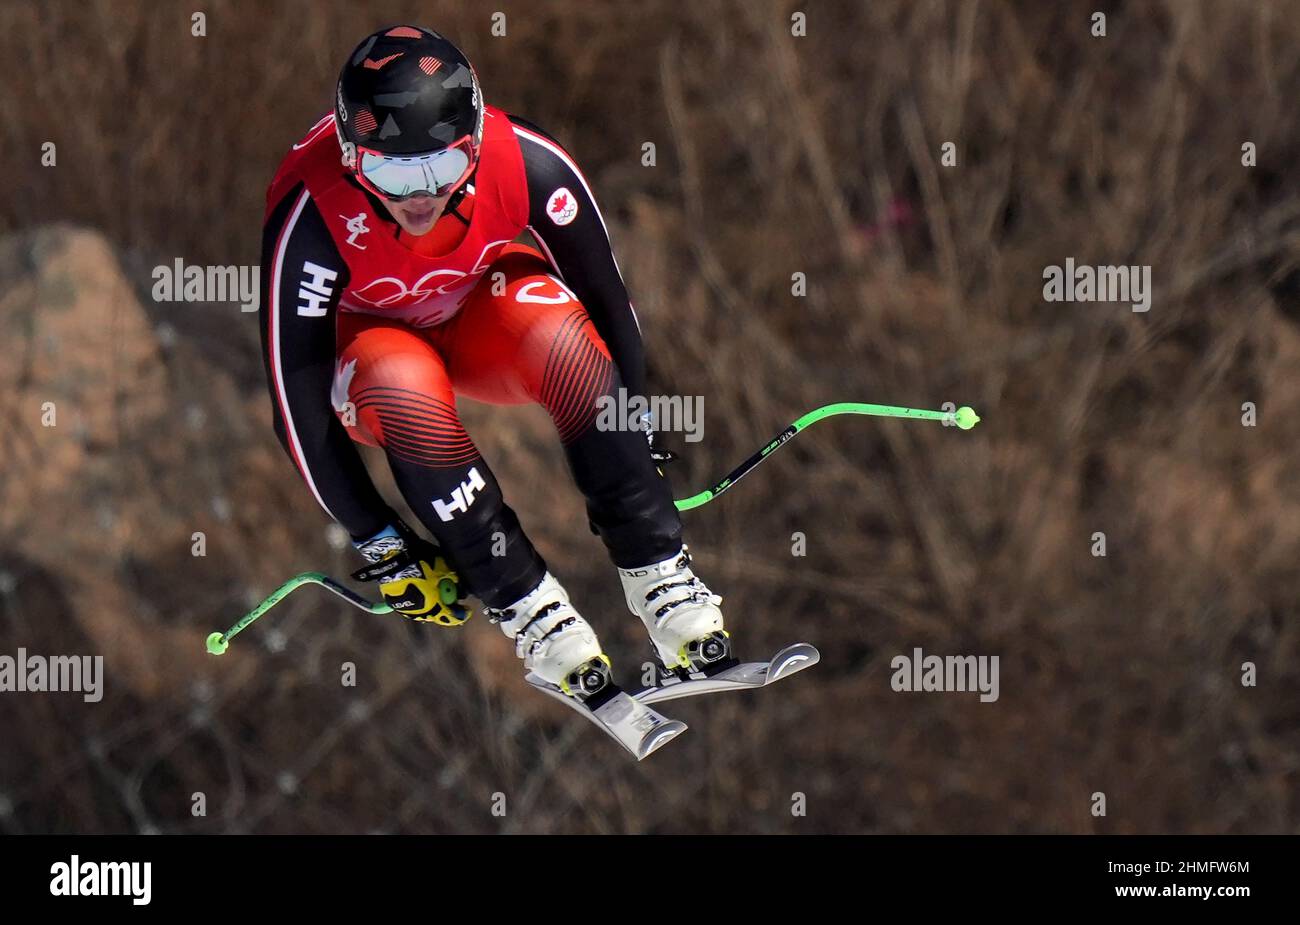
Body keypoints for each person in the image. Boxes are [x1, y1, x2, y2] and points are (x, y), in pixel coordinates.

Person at [259, 25, 728, 697]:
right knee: (401, 381)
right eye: (392, 173)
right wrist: (381, 539)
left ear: (474, 144)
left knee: (563, 337)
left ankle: (662, 577)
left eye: (444, 169)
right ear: (351, 156)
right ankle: (535, 612)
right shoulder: (312, 218)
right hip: (370, 348)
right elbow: (297, 409)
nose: (419, 197)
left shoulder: (526, 161)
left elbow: (608, 303)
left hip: (482, 314)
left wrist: (632, 433)